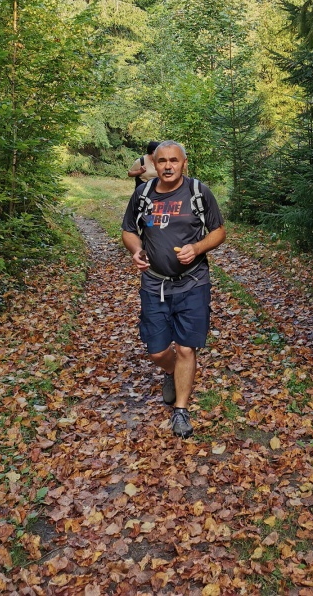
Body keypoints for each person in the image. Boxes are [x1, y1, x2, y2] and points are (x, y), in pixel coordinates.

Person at [121, 140, 226, 438]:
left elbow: (219, 231)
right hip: (154, 283)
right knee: (156, 351)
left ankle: (181, 410)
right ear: (154, 164)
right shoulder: (143, 194)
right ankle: (170, 371)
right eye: (162, 161)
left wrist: (197, 248)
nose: (168, 166)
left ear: (184, 163)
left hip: (193, 282)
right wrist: (136, 250)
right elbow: (128, 230)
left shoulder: (198, 192)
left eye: (174, 161)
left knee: (185, 347)